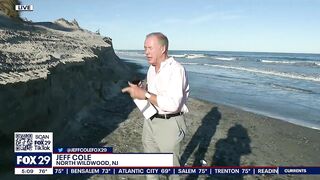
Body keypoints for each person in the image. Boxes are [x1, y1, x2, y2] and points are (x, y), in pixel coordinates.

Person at [122, 32, 189, 178]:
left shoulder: (176, 70)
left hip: (170, 124)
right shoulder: (152, 68)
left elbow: (173, 104)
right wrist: (143, 88)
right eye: (145, 48)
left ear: (162, 49)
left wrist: (144, 95)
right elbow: (155, 93)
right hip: (150, 121)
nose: (146, 52)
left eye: (150, 48)